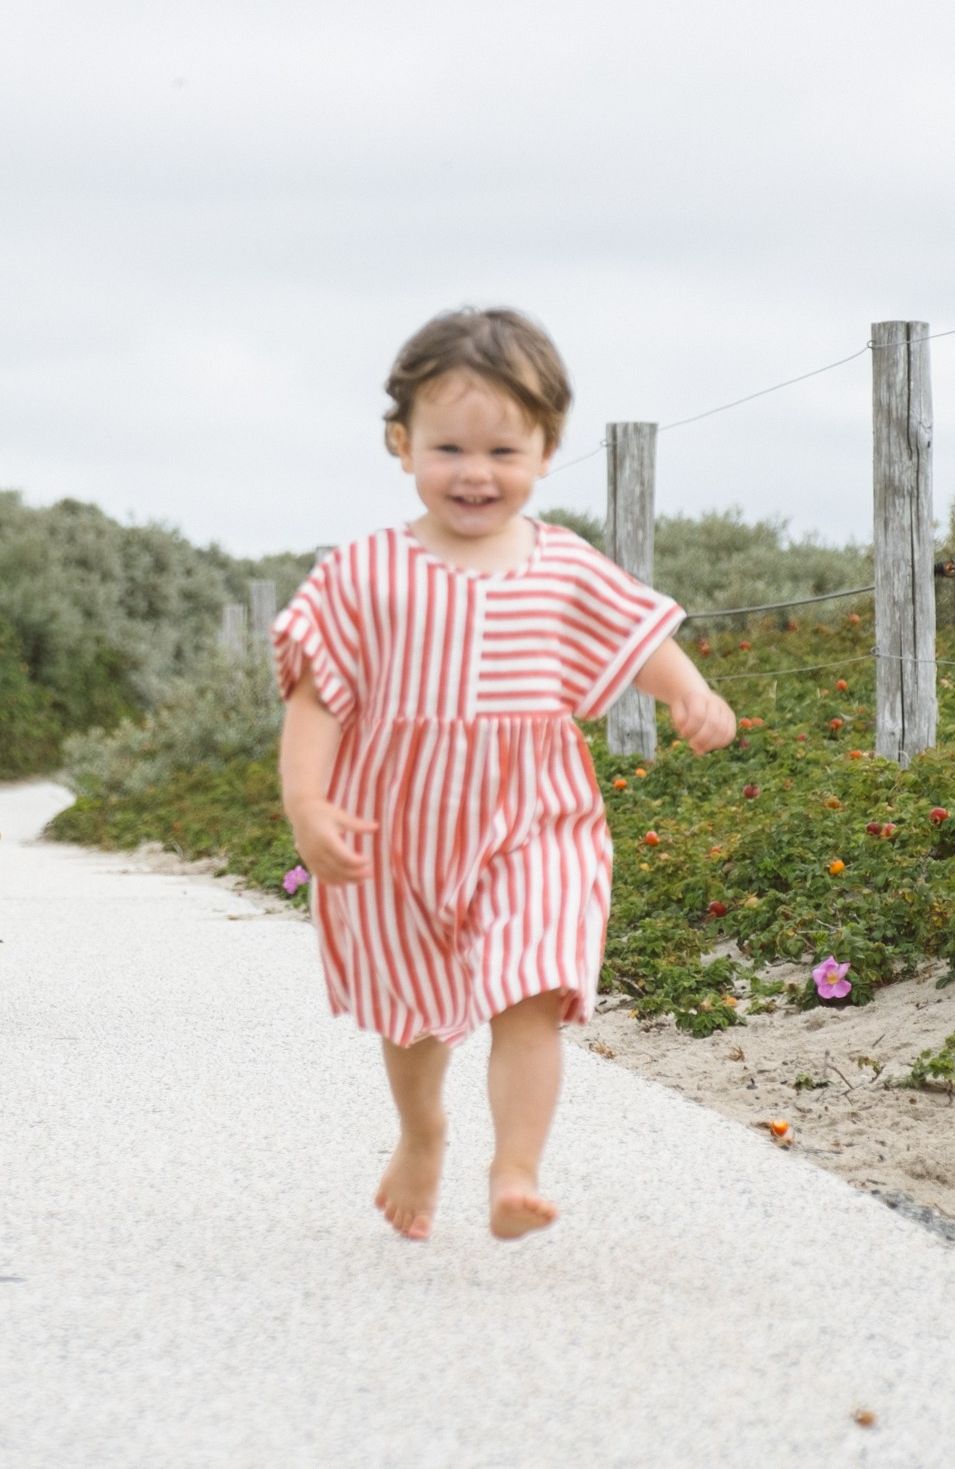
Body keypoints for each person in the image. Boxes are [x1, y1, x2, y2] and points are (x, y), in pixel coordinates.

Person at [272, 309, 736, 1241]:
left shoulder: (561, 563)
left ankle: (515, 1168)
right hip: (393, 831)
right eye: (448, 446)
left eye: (502, 449)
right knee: (412, 1015)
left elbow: (639, 635)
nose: (475, 472)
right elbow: (318, 700)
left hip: (536, 819)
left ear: (546, 449)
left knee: (535, 986)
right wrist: (307, 807)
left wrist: (692, 693)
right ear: (401, 444)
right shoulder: (364, 574)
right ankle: (421, 1132)